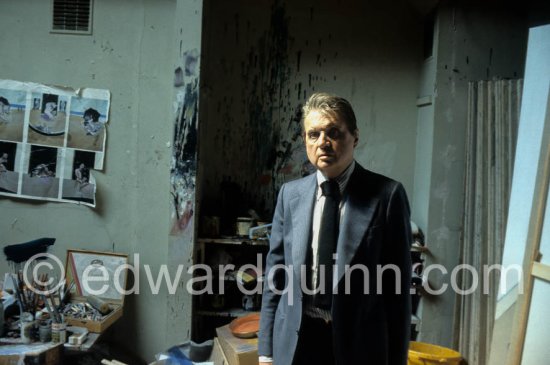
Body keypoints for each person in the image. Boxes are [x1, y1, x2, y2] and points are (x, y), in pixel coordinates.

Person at [258, 93, 412, 365]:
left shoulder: (387, 195)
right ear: (305, 140)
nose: (323, 143)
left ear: (355, 137)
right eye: (313, 134)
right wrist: (266, 351)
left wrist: (397, 360)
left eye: (333, 133)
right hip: (297, 341)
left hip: (359, 345)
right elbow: (276, 277)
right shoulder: (289, 195)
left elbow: (397, 293)